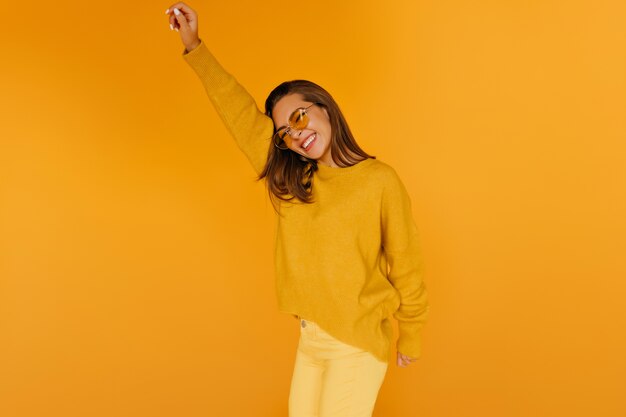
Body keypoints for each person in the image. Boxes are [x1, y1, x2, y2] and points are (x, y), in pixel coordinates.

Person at [165, 3, 429, 417]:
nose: (297, 134)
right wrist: (194, 45)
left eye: (300, 116)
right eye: (285, 132)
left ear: (324, 107)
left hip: (355, 344)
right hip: (310, 342)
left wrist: (410, 333)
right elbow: (238, 113)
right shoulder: (294, 183)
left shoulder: (379, 181)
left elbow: (406, 263)